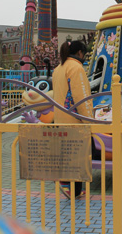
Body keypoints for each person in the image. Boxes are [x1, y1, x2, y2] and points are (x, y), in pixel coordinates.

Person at [52, 40, 92, 199]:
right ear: (80, 53)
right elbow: (81, 96)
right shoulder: (76, 68)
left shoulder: (58, 69)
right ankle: (73, 190)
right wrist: (89, 120)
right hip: (74, 120)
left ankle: (68, 186)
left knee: (66, 154)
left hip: (60, 119)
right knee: (77, 156)